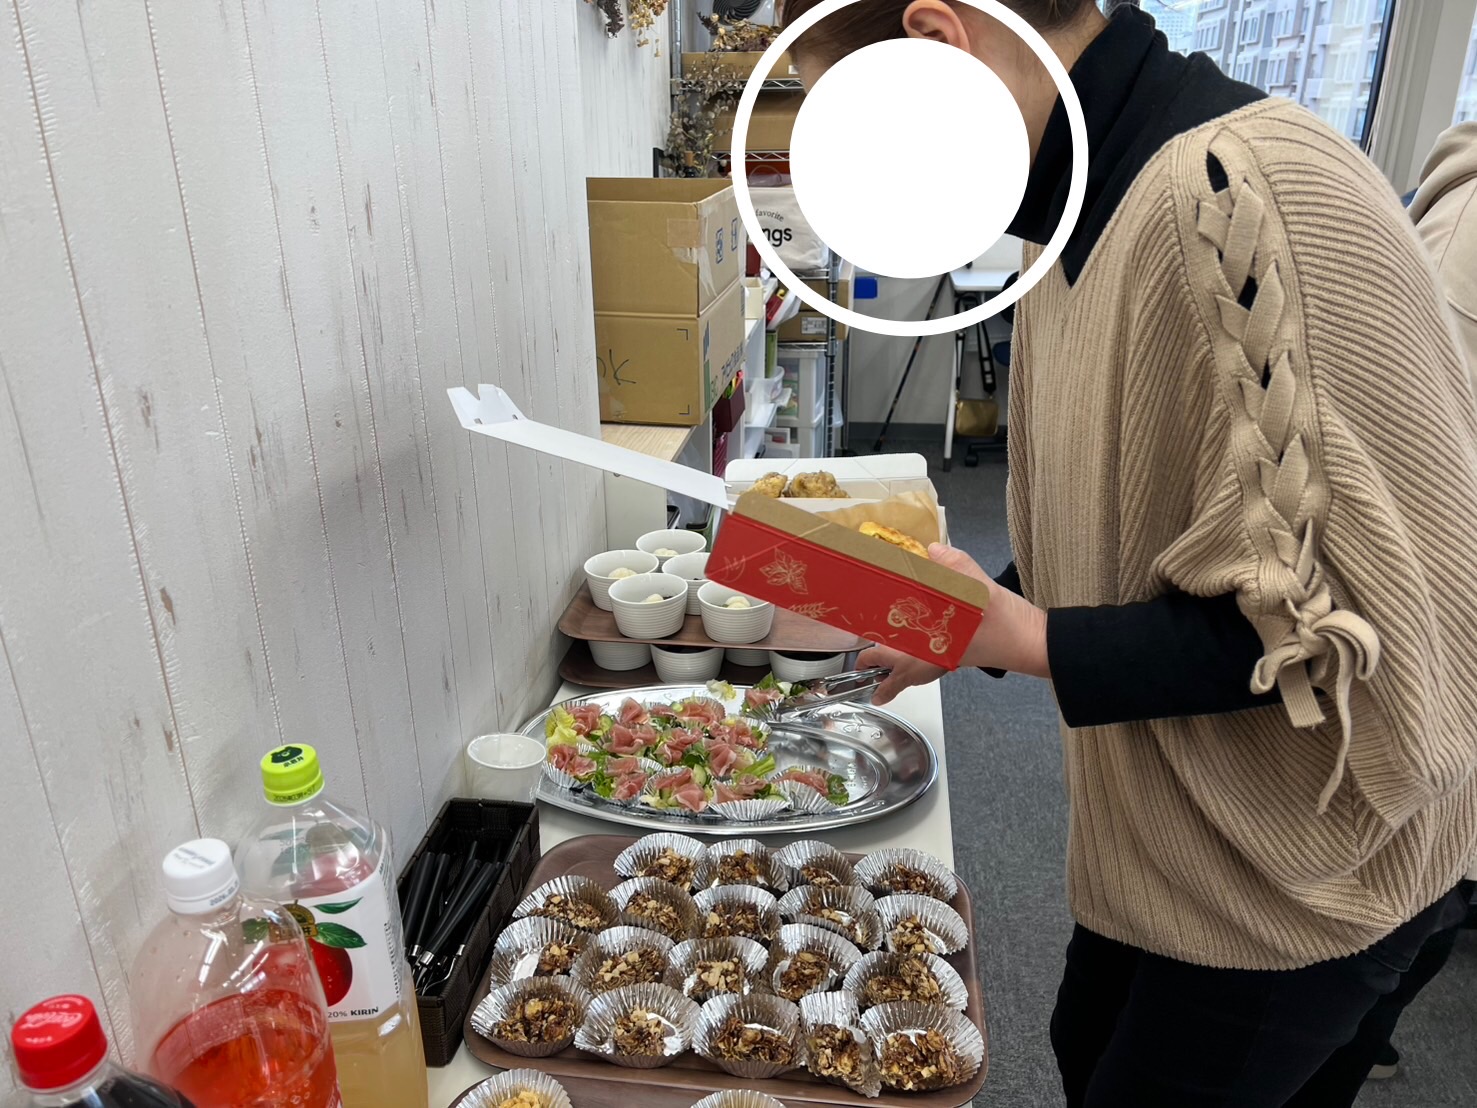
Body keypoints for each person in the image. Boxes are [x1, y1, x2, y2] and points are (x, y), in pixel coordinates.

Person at [779, 2, 1477, 1106]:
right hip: (1168, 840)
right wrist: (982, 615)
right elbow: (1146, 529)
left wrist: (1026, 636)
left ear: (937, 43)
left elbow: (1340, 632)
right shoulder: (1071, 214)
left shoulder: (1236, 193)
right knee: (1082, 1037)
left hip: (1305, 879)